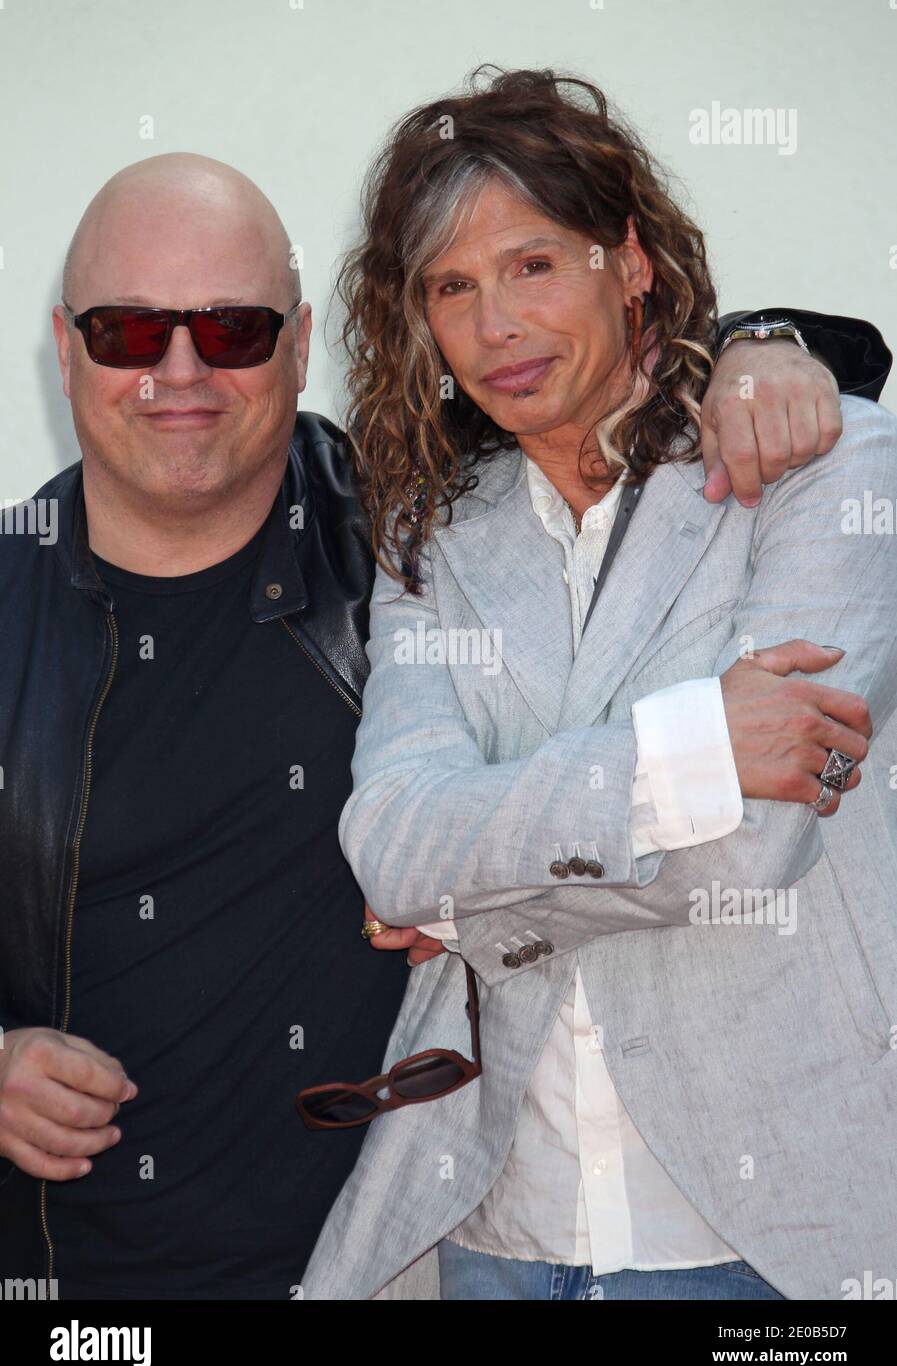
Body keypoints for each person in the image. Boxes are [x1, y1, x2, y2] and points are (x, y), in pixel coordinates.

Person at [0, 147, 886, 1297]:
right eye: (128, 331)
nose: (181, 373)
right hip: (82, 1287)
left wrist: (773, 343)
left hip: (384, 1251)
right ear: (66, 348)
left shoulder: (396, 523)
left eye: (232, 331)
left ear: (302, 341)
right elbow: (407, 850)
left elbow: (600, 373)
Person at [298, 68, 897, 1301]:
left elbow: (749, 857)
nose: (495, 327)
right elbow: (394, 844)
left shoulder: (827, 463)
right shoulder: (434, 537)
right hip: (501, 1230)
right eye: (451, 289)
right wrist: (684, 756)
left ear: (628, 262)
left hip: (770, 1238)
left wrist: (472, 911)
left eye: (531, 265)